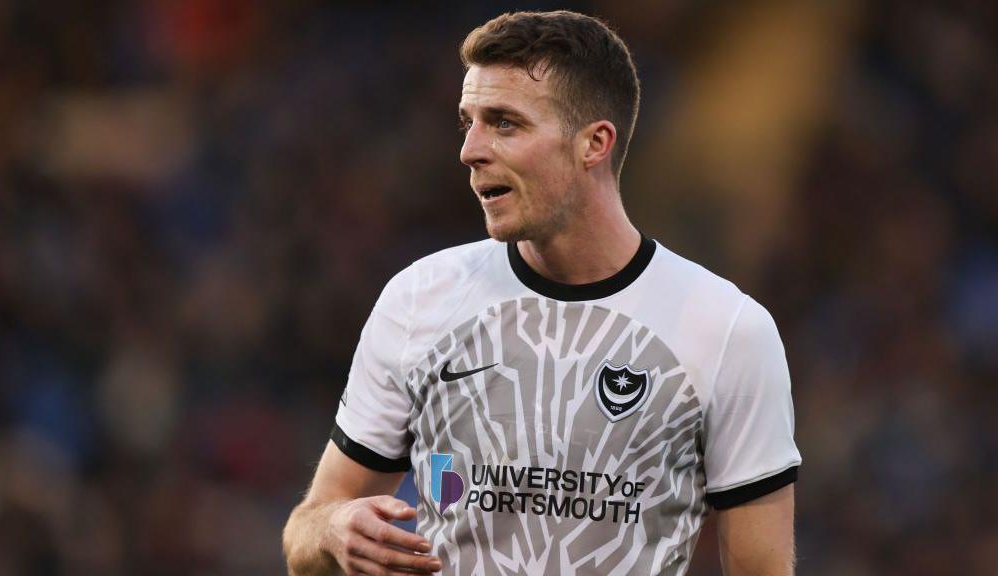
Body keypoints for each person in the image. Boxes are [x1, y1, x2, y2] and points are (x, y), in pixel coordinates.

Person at [283, 10, 800, 576]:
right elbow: (305, 534)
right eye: (469, 122)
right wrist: (332, 529)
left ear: (593, 144)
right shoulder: (418, 300)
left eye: (504, 123)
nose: (470, 150)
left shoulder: (728, 331)